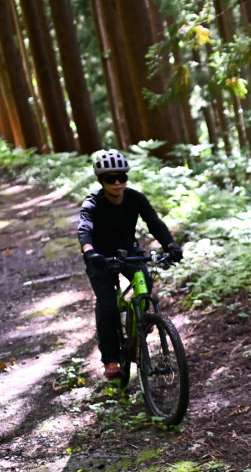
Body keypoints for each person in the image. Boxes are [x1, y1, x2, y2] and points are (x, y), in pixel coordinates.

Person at [77, 150, 182, 380]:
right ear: (100, 181)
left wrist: (171, 245)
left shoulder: (135, 198)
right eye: (110, 178)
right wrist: (89, 251)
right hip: (100, 257)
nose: (117, 183)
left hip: (128, 252)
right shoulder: (93, 202)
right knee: (108, 308)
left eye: (121, 177)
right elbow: (85, 228)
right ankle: (112, 359)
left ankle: (140, 330)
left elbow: (154, 223)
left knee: (144, 285)